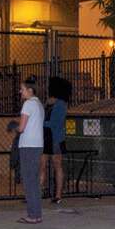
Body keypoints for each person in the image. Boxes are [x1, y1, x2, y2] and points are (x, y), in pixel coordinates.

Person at [16, 77, 45, 224]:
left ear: (30, 90)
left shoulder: (28, 104)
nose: (20, 91)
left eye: (22, 88)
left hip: (28, 145)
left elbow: (21, 127)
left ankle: (32, 215)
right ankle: (36, 213)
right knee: (33, 181)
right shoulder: (39, 104)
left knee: (28, 181)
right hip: (37, 145)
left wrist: (14, 127)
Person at [40, 77, 70, 205]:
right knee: (42, 165)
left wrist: (40, 123)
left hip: (55, 138)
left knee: (56, 166)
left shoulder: (60, 104)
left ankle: (58, 195)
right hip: (46, 136)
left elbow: (54, 123)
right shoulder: (49, 102)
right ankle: (39, 192)